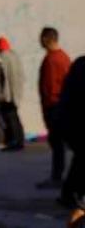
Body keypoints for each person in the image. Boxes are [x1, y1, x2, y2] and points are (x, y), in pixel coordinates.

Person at [39, 27, 73, 191]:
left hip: (55, 107)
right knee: (59, 144)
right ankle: (58, 176)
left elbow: (51, 88)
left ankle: (57, 177)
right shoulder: (64, 57)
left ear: (46, 39)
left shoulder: (52, 60)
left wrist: (50, 110)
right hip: (61, 106)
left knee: (57, 143)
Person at [56, 56, 85, 217]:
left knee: (80, 160)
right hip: (76, 123)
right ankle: (74, 196)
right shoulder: (81, 66)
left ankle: (69, 194)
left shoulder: (79, 64)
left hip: (70, 123)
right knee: (81, 160)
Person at [0, 36, 26, 150]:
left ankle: (14, 141)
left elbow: (2, 79)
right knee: (15, 116)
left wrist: (2, 94)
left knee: (10, 118)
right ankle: (19, 140)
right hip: (16, 93)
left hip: (7, 95)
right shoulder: (15, 56)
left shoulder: (2, 57)